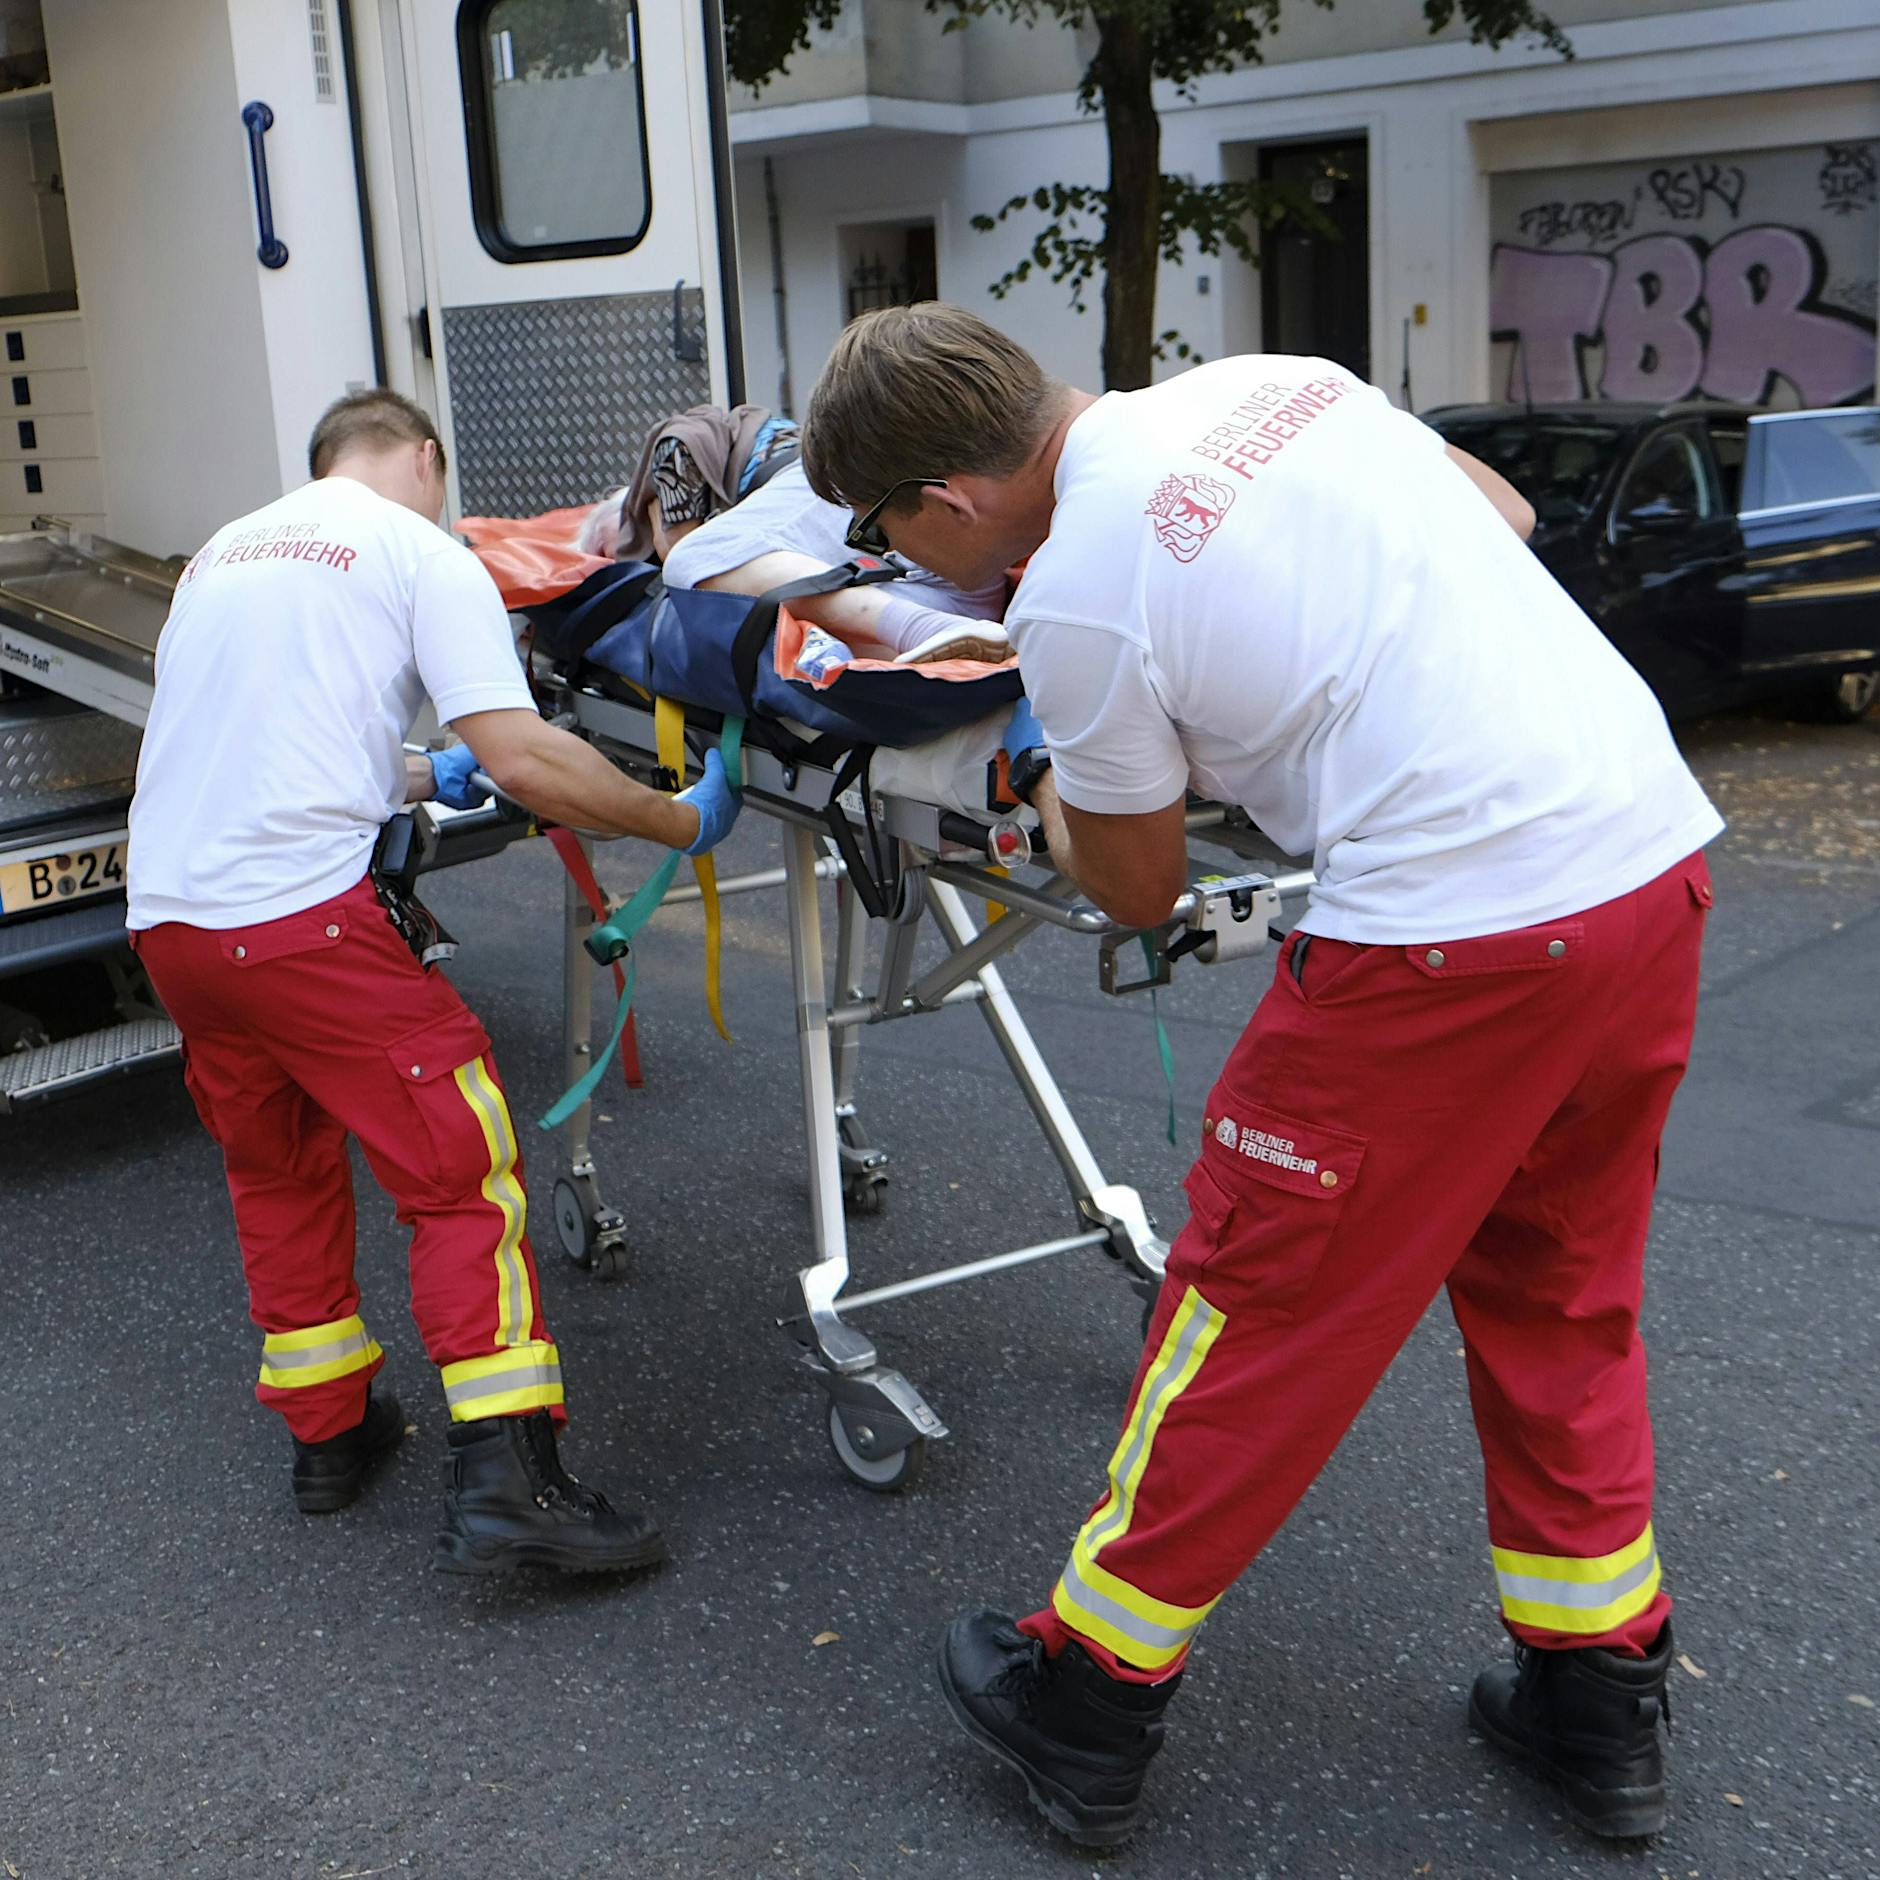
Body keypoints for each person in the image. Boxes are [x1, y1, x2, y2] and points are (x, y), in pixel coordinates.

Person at [801, 306, 1722, 1848]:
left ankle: (1086, 1699)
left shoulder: (1081, 598)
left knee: (1250, 1306)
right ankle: (1597, 1696)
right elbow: (1496, 513)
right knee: (1558, 1286)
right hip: (1641, 861)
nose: (902, 558)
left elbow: (1143, 888)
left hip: (1448, 938)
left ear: (947, 505)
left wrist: (1059, 778)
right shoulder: (1277, 384)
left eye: (888, 530)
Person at [127, 389, 742, 1579]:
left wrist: (412, 771)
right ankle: (513, 1476)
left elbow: (272, 741)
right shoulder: (417, 547)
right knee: (460, 1174)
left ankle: (331, 1435)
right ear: (423, 458)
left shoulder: (219, 554)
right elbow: (523, 756)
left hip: (175, 927)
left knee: (280, 1168)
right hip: (299, 920)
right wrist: (677, 816)